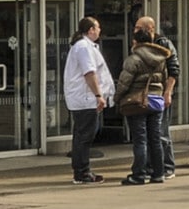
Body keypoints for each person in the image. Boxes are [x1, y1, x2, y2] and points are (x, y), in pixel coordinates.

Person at [114, 20, 172, 184]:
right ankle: (158, 173)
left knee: (140, 139)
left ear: (136, 41)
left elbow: (124, 82)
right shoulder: (161, 58)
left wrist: (117, 98)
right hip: (156, 102)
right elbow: (165, 79)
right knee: (155, 138)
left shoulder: (134, 59)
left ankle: (139, 174)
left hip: (138, 102)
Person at [62, 15, 111, 185]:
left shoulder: (84, 46)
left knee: (83, 135)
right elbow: (89, 73)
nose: (99, 30)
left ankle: (81, 170)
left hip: (83, 98)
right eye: (97, 27)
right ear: (91, 30)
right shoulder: (83, 47)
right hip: (85, 98)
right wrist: (98, 95)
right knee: (85, 136)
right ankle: (82, 172)